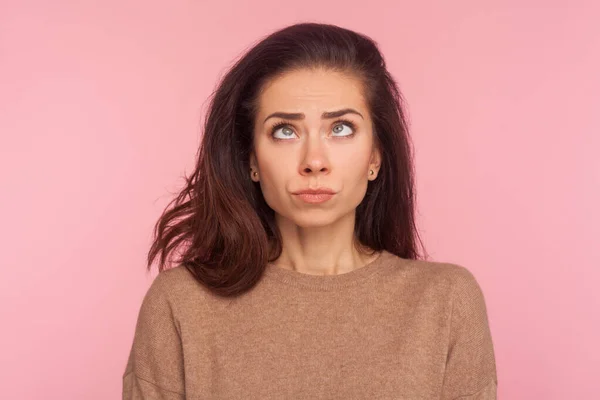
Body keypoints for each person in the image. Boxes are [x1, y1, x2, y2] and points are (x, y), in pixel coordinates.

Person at [122, 22, 497, 399]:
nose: (314, 161)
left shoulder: (446, 303)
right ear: (251, 159)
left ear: (375, 157)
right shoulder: (181, 304)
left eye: (342, 128)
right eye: (285, 130)